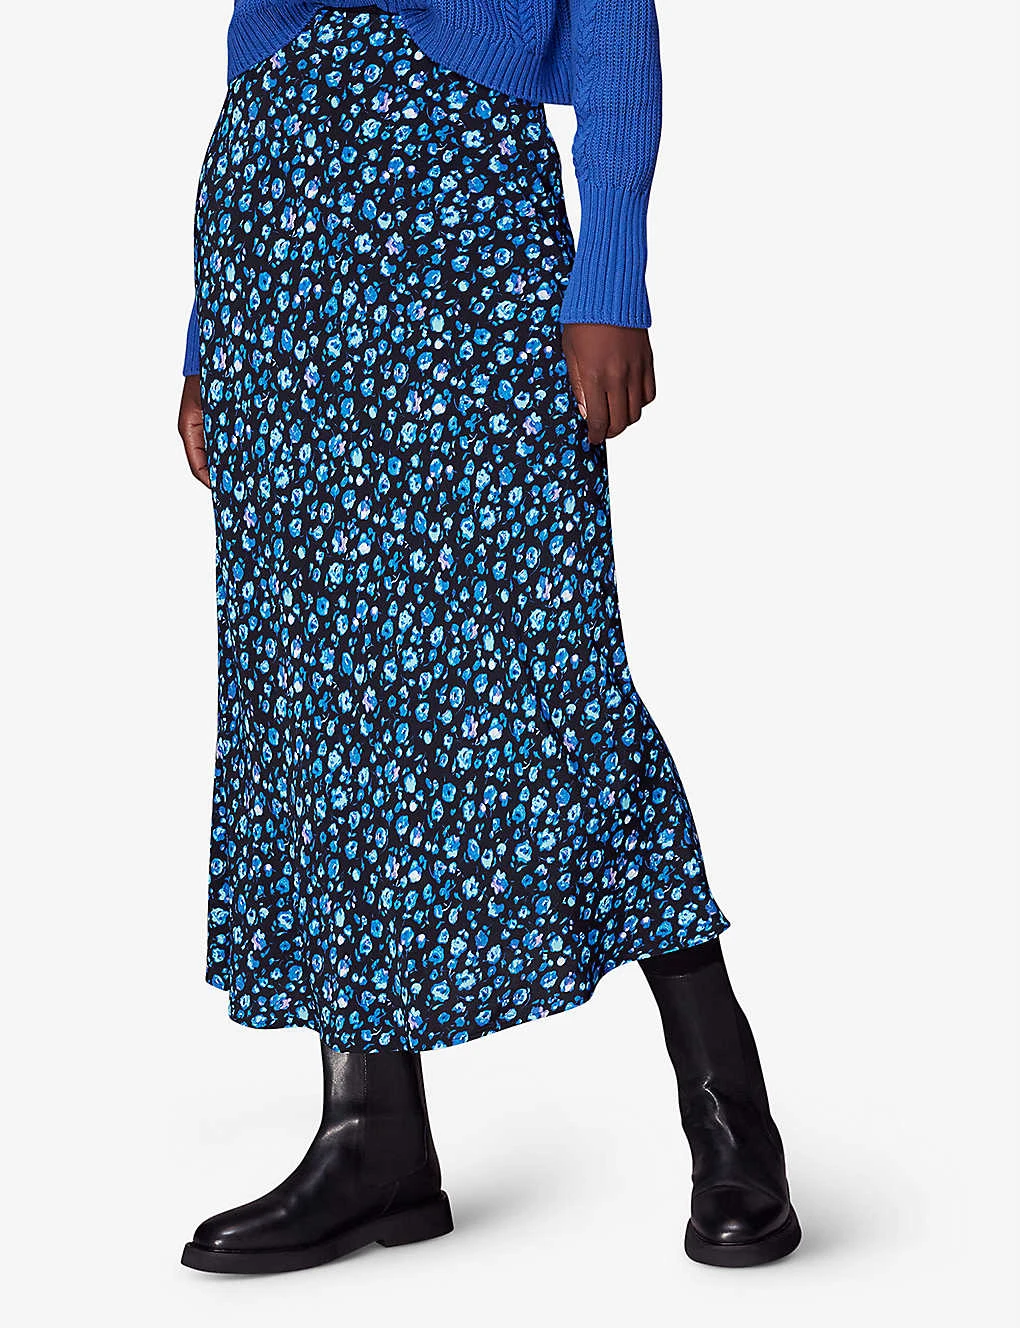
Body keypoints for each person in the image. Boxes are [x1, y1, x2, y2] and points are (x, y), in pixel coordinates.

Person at [176, 0, 800, 1274]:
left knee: (549, 680)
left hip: (462, 219)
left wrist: (610, 276)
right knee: (315, 692)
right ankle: (373, 1137)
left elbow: (614, 23)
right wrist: (204, 337)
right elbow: (252, 48)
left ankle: (730, 1110)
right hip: (272, 235)